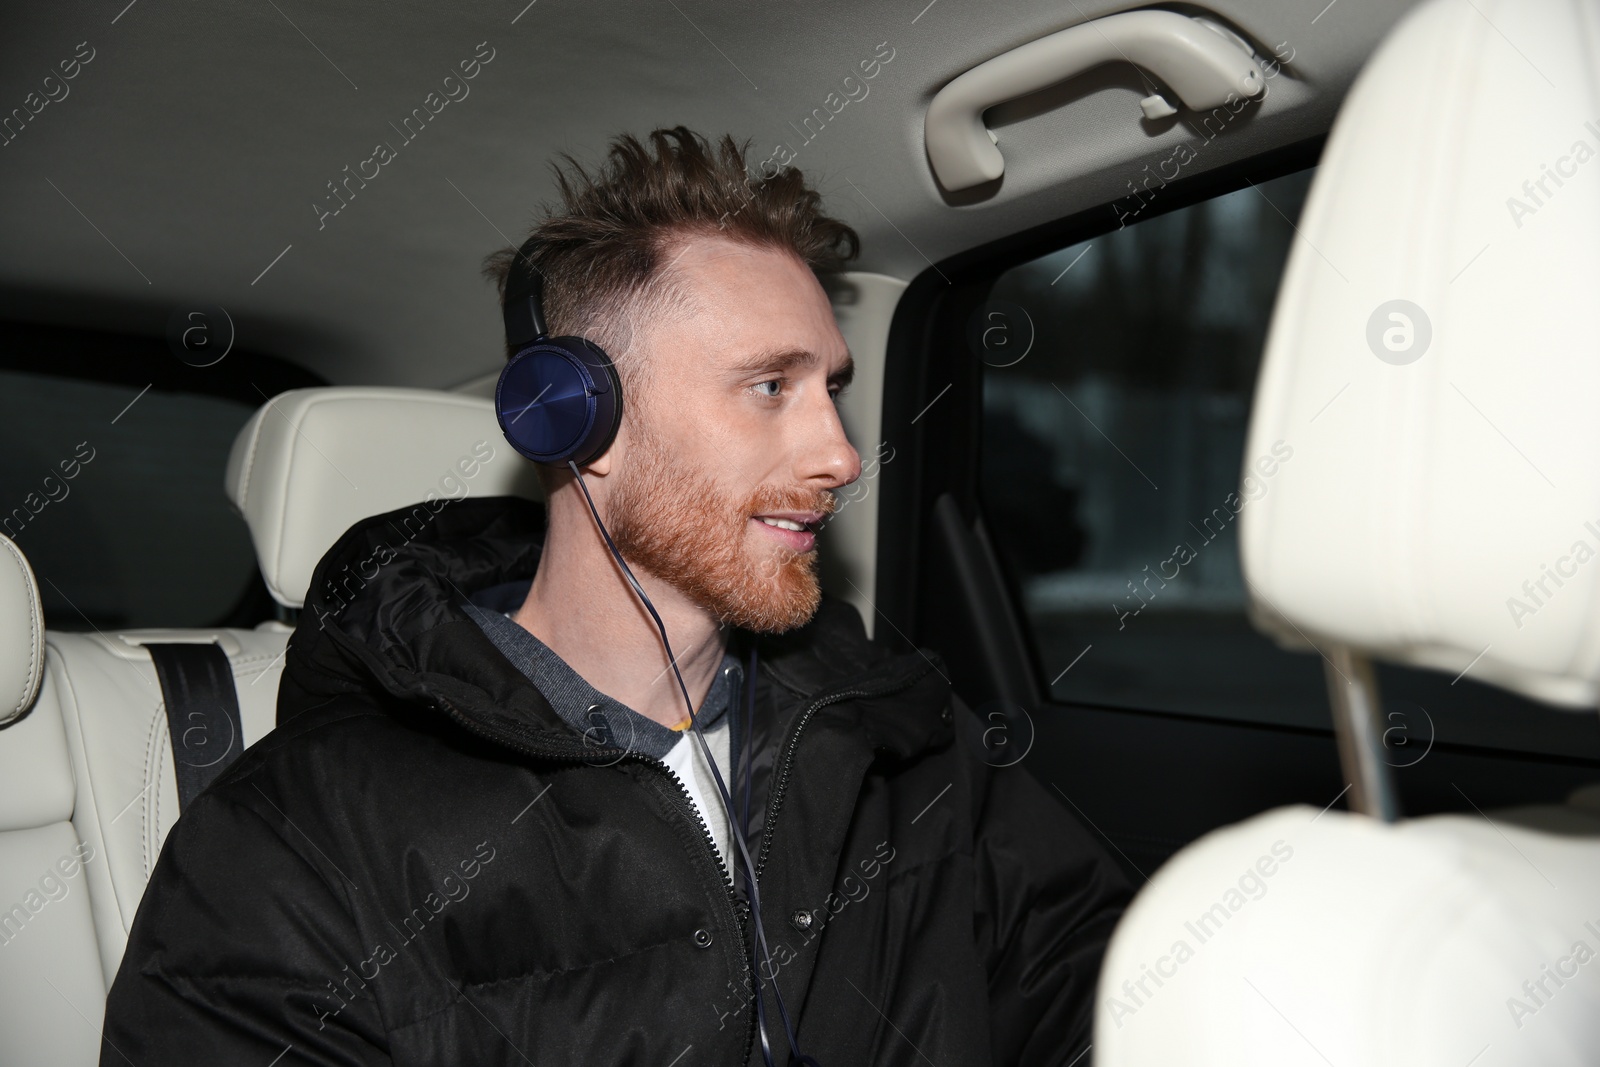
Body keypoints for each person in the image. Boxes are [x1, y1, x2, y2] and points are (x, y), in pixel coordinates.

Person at [101, 126, 1131, 1066]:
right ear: (572, 417)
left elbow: (1110, 1000)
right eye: (770, 386)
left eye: (834, 389)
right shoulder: (295, 843)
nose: (841, 455)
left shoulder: (899, 736)